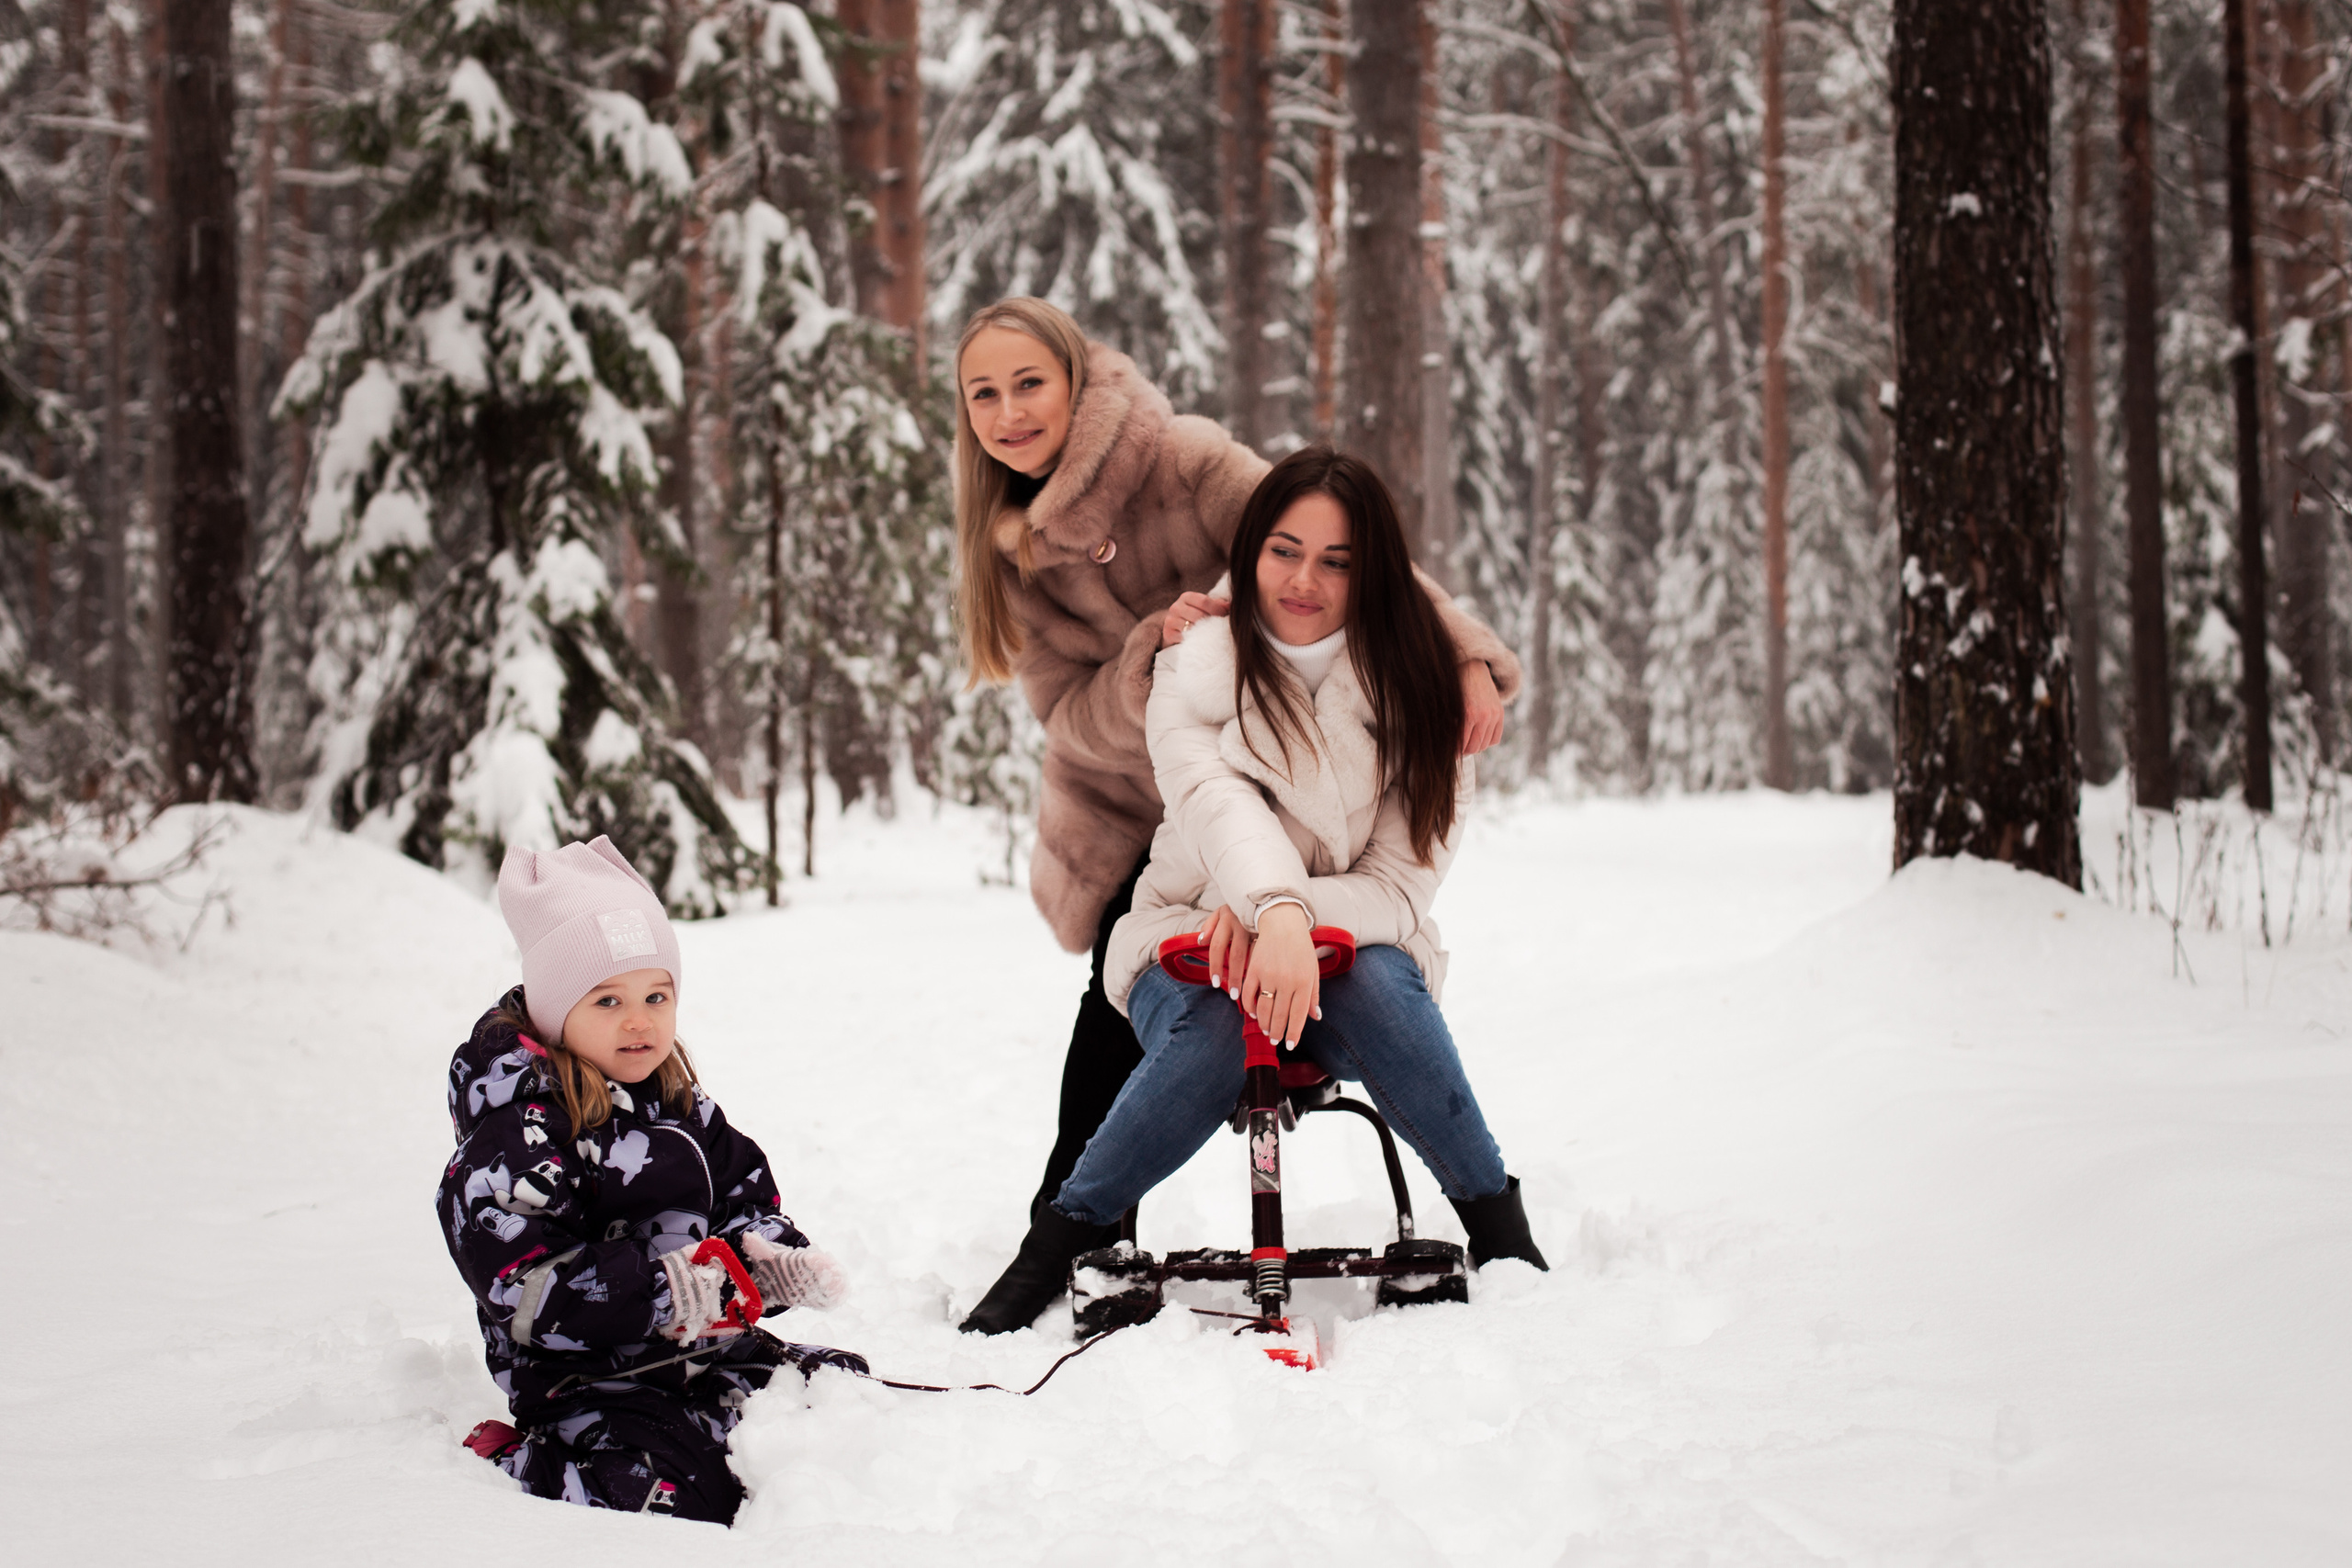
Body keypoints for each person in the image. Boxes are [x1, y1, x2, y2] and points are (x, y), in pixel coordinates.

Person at [952, 298, 1521, 1334]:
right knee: (1122, 1019)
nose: (1008, 411)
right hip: (1138, 802)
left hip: (1309, 783)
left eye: (1028, 381)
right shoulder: (1010, 549)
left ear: (1076, 381)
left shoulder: (1182, 462)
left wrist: (1467, 654)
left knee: (1337, 971)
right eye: (982, 393)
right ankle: (1073, 1230)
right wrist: (1150, 661)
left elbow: (1340, 540)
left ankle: (1499, 1223)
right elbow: (1066, 718)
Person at [1017, 448, 1548, 1288]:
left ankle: (1501, 1229)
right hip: (1189, 937)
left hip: (1341, 958)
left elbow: (1400, 885)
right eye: (1284, 550)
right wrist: (1271, 911)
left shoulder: (1423, 695)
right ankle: (1055, 1246)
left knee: (1378, 977)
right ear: (1251, 550)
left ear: (1374, 575)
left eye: (1338, 561)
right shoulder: (1192, 664)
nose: (1305, 579)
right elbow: (1215, 801)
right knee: (1224, 1019)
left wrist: (1287, 917)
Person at [439, 836, 860, 1525]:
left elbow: (742, 1193)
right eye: (606, 1000)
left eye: (656, 995)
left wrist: (771, 1258)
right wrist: (658, 1292)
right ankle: (527, 1462)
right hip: (590, 1382)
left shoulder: (679, 1103)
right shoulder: (519, 1133)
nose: (639, 1020)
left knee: (837, 1399)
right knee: (678, 1493)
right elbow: (521, 1285)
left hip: (704, 1355)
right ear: (553, 1009)